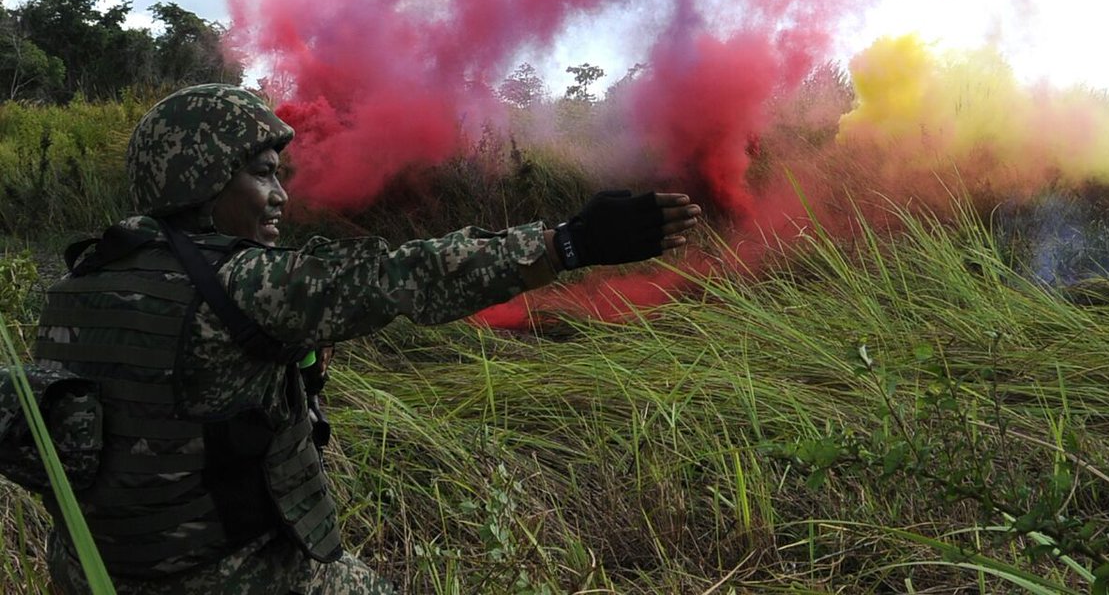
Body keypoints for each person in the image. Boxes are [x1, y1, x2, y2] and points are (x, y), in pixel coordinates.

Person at [32, 83, 702, 594]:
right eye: (261, 172)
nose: (278, 196)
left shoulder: (77, 283)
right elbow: (399, 276)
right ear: (203, 177)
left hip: (92, 573)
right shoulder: (241, 283)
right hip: (232, 573)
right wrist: (566, 243)